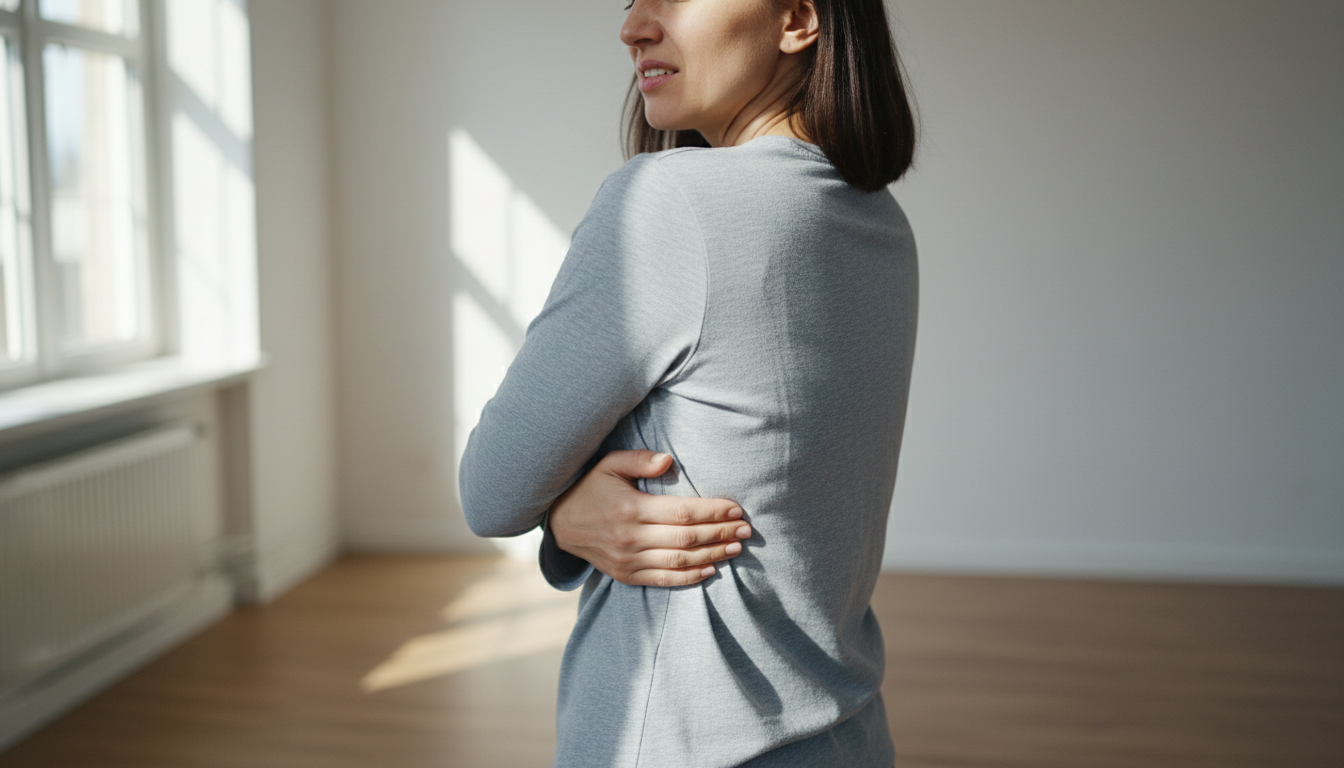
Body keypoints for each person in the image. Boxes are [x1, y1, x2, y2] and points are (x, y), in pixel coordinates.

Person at [458, 0, 918, 765]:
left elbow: (489, 489)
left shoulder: (670, 202)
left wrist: (562, 518)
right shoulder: (881, 221)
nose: (633, 27)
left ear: (798, 19)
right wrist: (572, 520)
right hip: (850, 730)